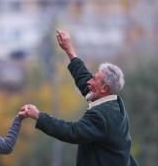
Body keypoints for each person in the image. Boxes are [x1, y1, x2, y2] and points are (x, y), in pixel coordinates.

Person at [19, 29, 137, 166]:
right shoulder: (114, 102)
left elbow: (72, 132)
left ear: (105, 88)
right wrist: (69, 50)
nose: (89, 82)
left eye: (94, 79)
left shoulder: (101, 115)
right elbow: (84, 79)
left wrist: (39, 116)